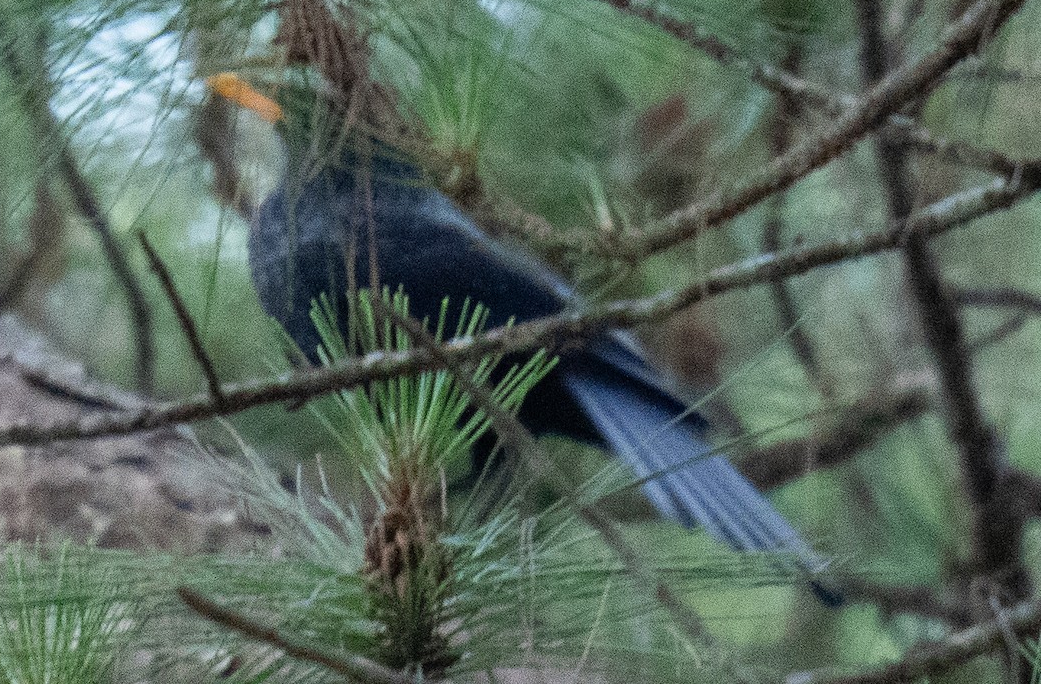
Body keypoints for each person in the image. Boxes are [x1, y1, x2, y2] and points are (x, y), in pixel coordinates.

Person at [216, 75, 833, 596]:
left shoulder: (346, 221)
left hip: (561, 362)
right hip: (550, 369)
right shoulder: (357, 209)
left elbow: (497, 293)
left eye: (291, 110)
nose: (263, 109)